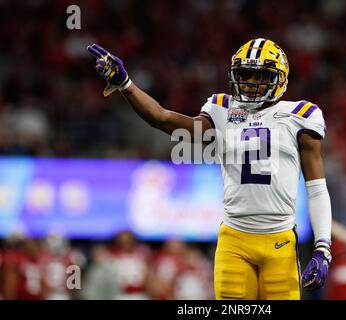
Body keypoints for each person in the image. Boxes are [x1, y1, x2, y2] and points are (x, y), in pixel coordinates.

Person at [87, 38, 333, 300]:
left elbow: (316, 188)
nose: (249, 82)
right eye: (244, 74)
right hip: (234, 240)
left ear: (279, 78)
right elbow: (163, 118)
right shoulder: (222, 109)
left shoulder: (301, 115)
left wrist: (322, 247)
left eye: (259, 75)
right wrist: (127, 85)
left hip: (280, 239)